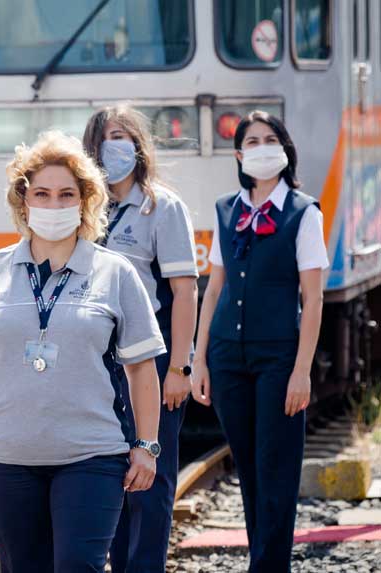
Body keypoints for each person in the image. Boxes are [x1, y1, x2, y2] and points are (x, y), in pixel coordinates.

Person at [0, 130, 164, 572]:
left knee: (77, 566)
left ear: (85, 201)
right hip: (5, 458)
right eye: (42, 194)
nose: (53, 205)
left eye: (66, 194)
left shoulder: (115, 273)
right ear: (23, 201)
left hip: (91, 456)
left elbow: (142, 370)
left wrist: (146, 445)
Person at [193, 111, 327, 572]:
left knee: (277, 468)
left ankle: (268, 567)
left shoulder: (303, 212)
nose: (262, 146)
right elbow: (213, 289)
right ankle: (264, 562)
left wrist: (301, 371)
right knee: (249, 468)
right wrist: (200, 359)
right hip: (227, 356)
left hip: (279, 356)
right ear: (239, 154)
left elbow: (312, 299)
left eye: (271, 139)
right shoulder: (226, 209)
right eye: (252, 140)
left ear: (285, 150)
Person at [82, 105, 199, 572]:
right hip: (97, 358)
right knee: (111, 473)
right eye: (107, 137)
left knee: (152, 477)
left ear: (138, 145)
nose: (116, 145)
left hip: (151, 359)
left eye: (123, 136)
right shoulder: (84, 209)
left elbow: (184, 289)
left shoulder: (161, 207)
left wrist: (179, 367)